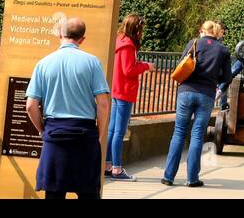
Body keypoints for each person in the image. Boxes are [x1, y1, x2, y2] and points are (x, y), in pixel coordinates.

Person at [24, 17, 112, 200]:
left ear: (59, 34)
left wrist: (42, 130)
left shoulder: (43, 63)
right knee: (88, 193)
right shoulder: (92, 62)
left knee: (54, 194)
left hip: (55, 134)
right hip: (85, 134)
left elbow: (31, 105)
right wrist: (99, 133)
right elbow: (103, 104)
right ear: (82, 38)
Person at [162, 21, 231, 186]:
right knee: (197, 135)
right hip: (206, 94)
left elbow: (181, 63)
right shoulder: (223, 50)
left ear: (203, 31)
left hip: (186, 91)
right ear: (216, 33)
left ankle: (168, 177)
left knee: (178, 133)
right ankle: (192, 179)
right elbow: (227, 77)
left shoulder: (193, 43)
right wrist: (215, 77)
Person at [105, 14, 153, 180]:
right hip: (125, 91)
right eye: (141, 29)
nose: (142, 32)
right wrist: (146, 66)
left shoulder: (119, 41)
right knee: (119, 131)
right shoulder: (128, 45)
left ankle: (107, 165)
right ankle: (117, 169)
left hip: (117, 88)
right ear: (136, 28)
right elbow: (129, 70)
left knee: (112, 130)